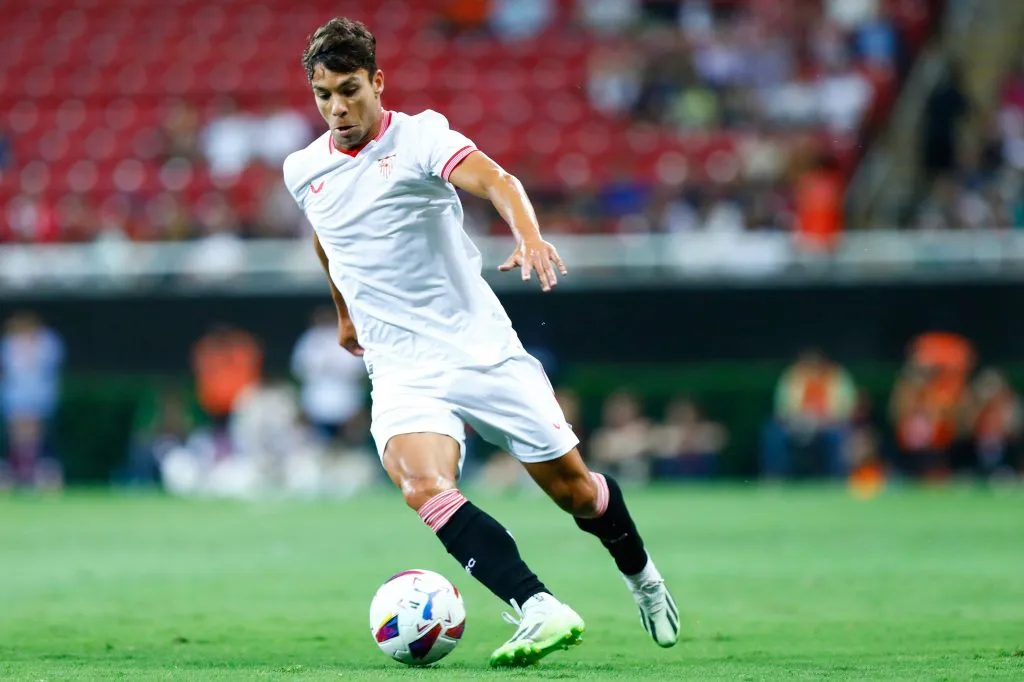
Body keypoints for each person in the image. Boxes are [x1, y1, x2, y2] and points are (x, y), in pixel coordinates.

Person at [282, 18, 679, 667]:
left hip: (477, 349)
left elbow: (497, 180)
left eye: (349, 90)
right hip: (399, 366)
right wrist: (343, 313)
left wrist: (528, 235)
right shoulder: (303, 170)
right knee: (421, 484)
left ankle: (643, 578)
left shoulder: (421, 137)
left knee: (577, 493)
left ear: (377, 82)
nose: (338, 108)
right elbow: (328, 238)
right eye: (324, 95)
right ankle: (538, 606)